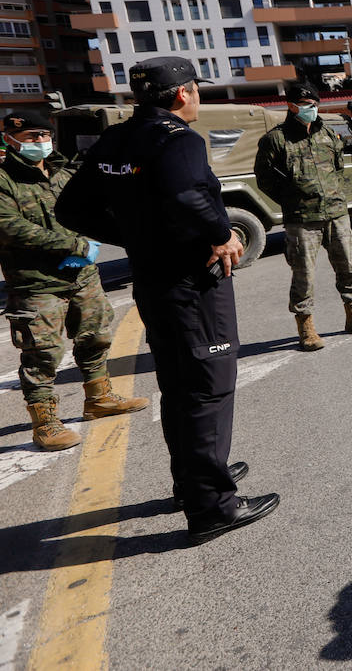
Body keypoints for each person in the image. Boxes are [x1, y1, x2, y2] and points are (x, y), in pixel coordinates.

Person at [56, 56, 278, 545]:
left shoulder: (117, 138)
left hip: (155, 282)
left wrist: (137, 238)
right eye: (197, 89)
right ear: (183, 94)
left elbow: (70, 207)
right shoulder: (178, 139)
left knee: (180, 385)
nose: (198, 96)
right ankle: (212, 507)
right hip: (191, 283)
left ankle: (195, 481)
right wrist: (221, 233)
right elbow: (184, 196)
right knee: (208, 388)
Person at [0, 108, 148, 450]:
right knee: (42, 354)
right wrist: (75, 243)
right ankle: (45, 424)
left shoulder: (63, 174)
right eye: (30, 138)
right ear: (9, 140)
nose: (40, 142)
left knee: (95, 337)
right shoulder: (4, 180)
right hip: (36, 283)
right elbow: (11, 228)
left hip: (81, 274)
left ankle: (99, 399)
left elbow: (93, 208)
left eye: (44, 135)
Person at [254, 80, 352, 352]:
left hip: (336, 214)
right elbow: (264, 179)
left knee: (347, 267)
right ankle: (306, 328)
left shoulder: (328, 135)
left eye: (315, 105)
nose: (312, 110)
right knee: (304, 276)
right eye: (307, 106)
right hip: (302, 220)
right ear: (292, 106)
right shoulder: (275, 139)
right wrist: (292, 200)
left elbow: (337, 168)